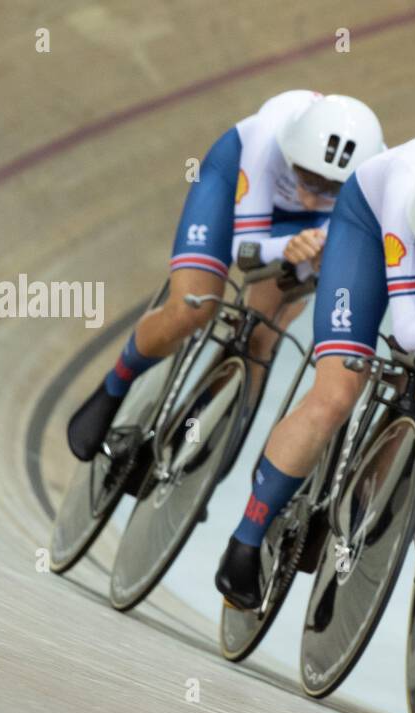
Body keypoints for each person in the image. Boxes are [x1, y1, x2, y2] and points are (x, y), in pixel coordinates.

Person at [214, 136, 415, 609]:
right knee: (337, 392)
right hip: (367, 226)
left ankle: (363, 507)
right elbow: (408, 326)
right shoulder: (406, 194)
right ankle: (247, 534)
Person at [65, 91, 383, 460]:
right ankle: (114, 386)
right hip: (232, 188)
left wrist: (320, 252)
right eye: (308, 179)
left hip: (309, 229)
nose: (313, 197)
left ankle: (204, 424)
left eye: (332, 188)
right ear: (291, 152)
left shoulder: (371, 181)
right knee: (192, 308)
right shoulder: (267, 138)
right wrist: (288, 247)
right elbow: (245, 251)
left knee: (264, 335)